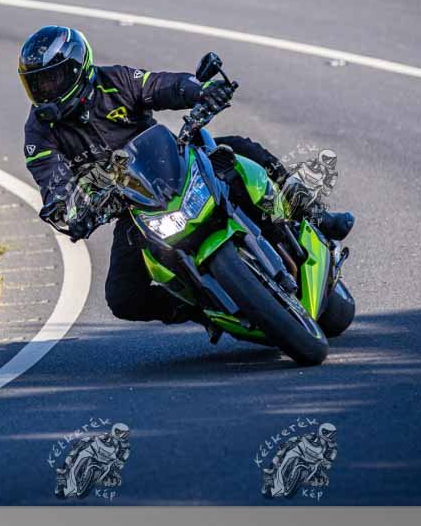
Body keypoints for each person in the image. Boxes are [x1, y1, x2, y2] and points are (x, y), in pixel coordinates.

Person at [18, 25, 354, 325]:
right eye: (37, 84)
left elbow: (163, 85)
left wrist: (201, 91)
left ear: (76, 69)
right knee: (123, 299)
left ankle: (314, 214)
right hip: (133, 208)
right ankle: (203, 308)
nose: (45, 91)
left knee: (237, 149)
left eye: (51, 80)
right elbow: (53, 183)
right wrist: (69, 210)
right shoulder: (39, 134)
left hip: (175, 165)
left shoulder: (114, 81)